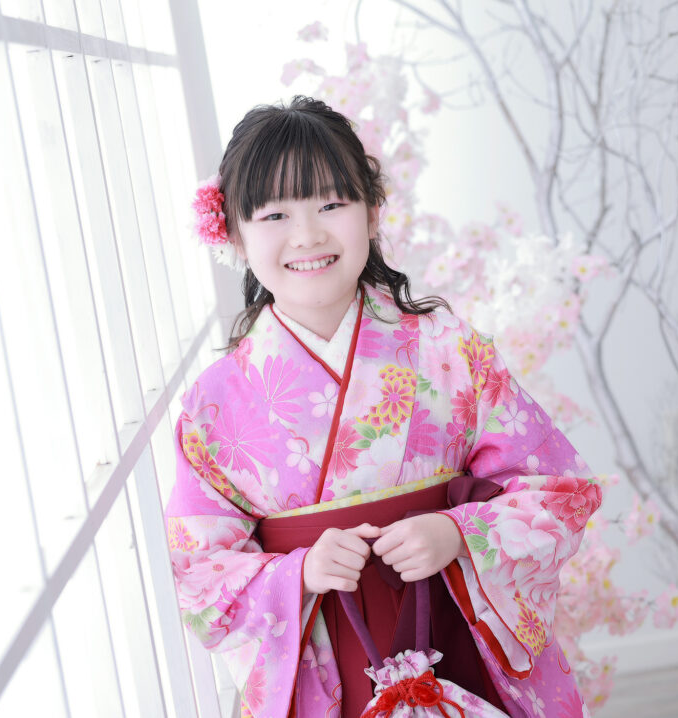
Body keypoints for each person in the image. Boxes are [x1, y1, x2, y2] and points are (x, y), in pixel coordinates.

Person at [165, 96, 600, 718]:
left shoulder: (451, 351)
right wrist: (298, 573)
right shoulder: (213, 404)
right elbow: (197, 570)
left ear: (372, 212)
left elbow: (558, 490)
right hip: (325, 663)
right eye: (275, 214)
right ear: (233, 234)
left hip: (456, 634)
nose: (307, 235)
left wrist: (459, 533)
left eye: (331, 204)